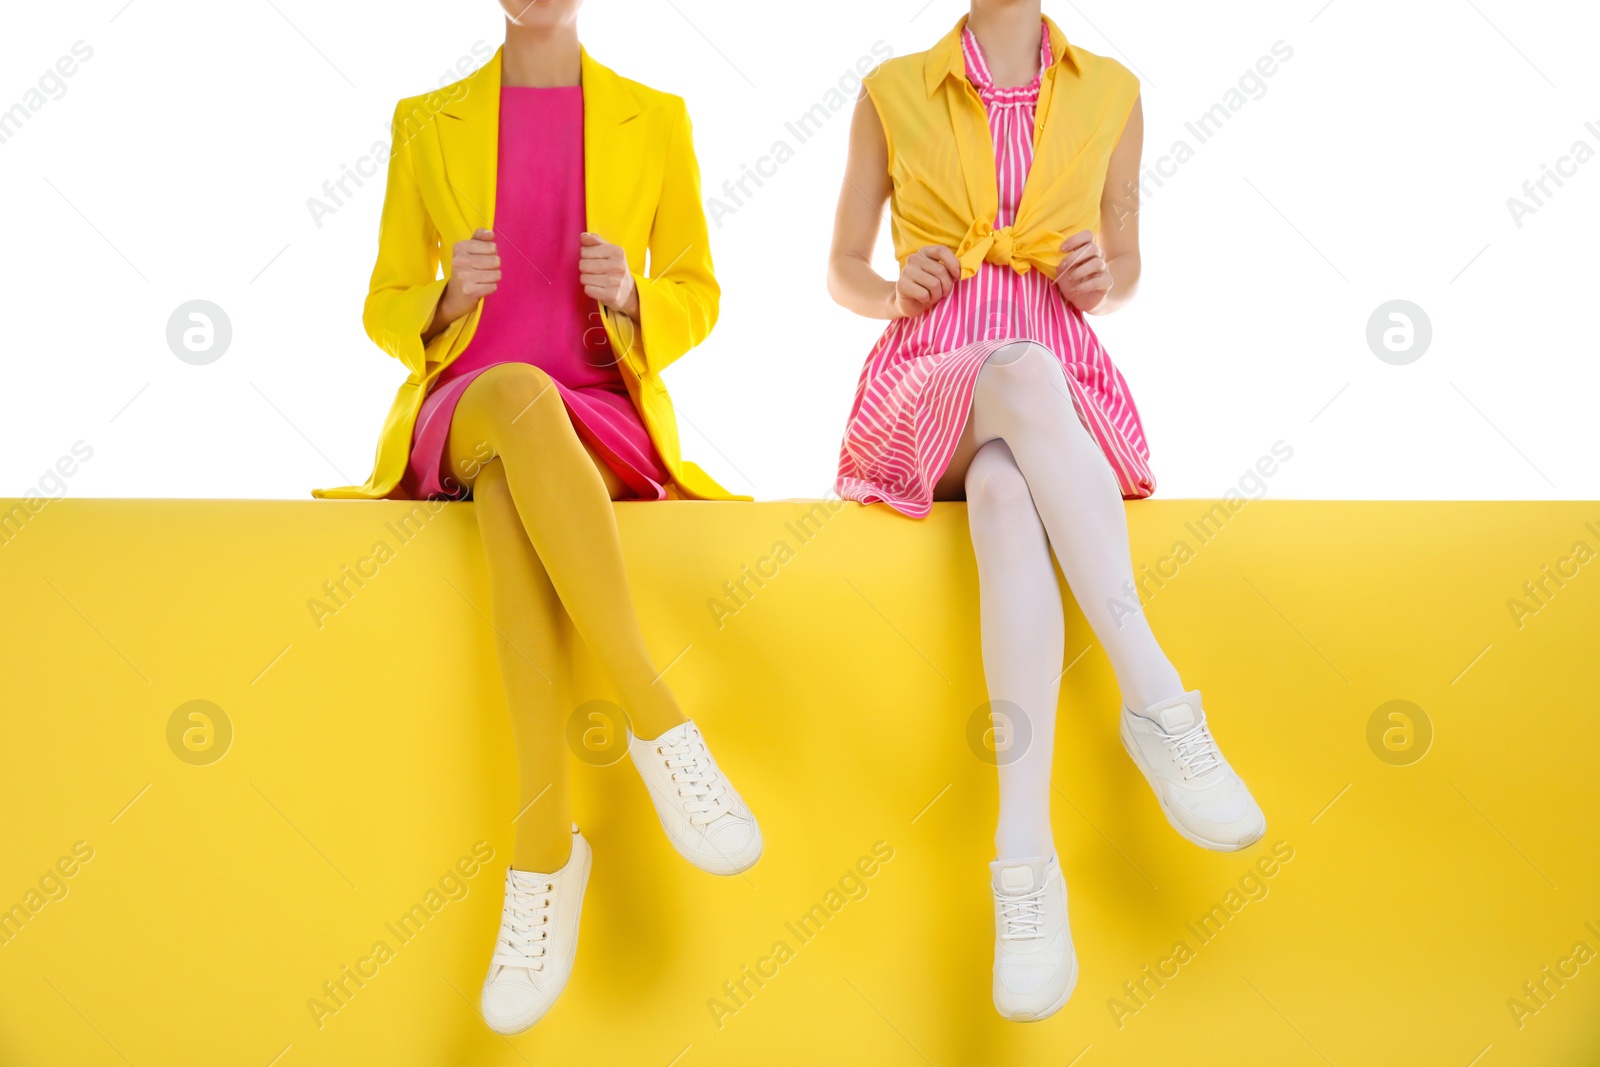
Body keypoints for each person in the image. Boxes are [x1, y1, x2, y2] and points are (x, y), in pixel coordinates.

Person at [313, 0, 760, 1035]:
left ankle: (542, 852)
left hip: (599, 414)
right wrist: (436, 301)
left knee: (519, 492)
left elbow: (700, 286)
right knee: (514, 394)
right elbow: (385, 298)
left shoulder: (657, 116)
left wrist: (640, 296)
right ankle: (659, 719)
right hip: (470, 404)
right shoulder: (427, 121)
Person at [827, 2, 1265, 1021]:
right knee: (1014, 373)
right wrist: (894, 287)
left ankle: (1023, 864)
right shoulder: (892, 88)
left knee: (1003, 488)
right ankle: (1155, 694)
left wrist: (1102, 277)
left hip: (1062, 387)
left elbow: (1124, 262)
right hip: (932, 378)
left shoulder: (1113, 90)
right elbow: (841, 266)